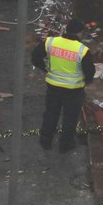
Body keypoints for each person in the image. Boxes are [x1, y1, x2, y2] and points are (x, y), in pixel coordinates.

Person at [31, 18, 95, 153]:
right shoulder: (82, 50)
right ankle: (65, 144)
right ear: (80, 33)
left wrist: (45, 69)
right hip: (74, 91)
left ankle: (45, 141)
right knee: (70, 117)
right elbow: (90, 72)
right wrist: (85, 81)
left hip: (53, 87)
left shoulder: (51, 42)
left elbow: (35, 57)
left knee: (51, 114)